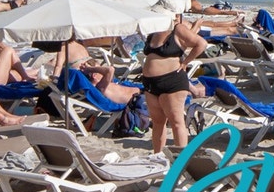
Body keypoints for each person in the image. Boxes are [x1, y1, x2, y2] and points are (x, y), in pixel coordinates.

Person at [141, 16, 208, 154]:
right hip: (150, 83)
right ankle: (157, 156)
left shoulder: (177, 29)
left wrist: (185, 62)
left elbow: (201, 43)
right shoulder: (153, 31)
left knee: (176, 122)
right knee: (158, 123)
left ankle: (181, 160)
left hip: (172, 81)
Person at [54, 40, 141, 103]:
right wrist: (91, 68)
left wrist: (54, 80)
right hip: (137, 96)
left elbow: (58, 66)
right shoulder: (79, 44)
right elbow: (109, 71)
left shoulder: (63, 48)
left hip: (83, 74)